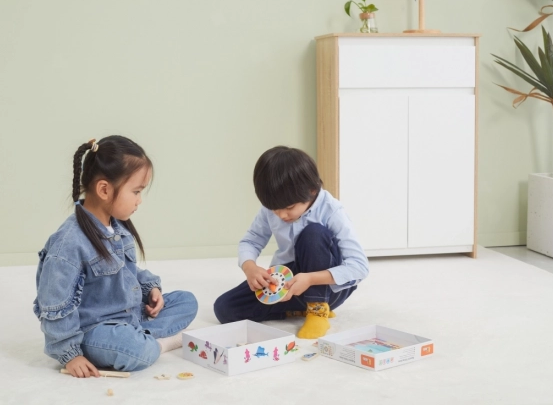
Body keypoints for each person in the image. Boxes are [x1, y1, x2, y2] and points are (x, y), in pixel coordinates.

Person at [33, 136, 197, 378]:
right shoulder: (68, 243)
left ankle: (139, 337)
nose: (139, 201)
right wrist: (70, 354)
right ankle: (149, 345)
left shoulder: (116, 227)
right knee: (139, 351)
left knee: (187, 301)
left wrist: (150, 290)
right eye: (136, 192)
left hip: (129, 316)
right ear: (104, 189)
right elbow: (54, 304)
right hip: (93, 331)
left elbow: (126, 272)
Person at [214, 146, 369, 339]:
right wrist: (249, 267)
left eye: (288, 208)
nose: (281, 215)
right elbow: (251, 240)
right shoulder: (274, 208)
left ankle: (317, 309)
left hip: (327, 286)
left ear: (312, 191)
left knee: (314, 233)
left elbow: (360, 266)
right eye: (274, 209)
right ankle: (297, 309)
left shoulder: (332, 211)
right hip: (289, 281)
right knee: (225, 308)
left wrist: (311, 279)